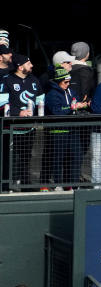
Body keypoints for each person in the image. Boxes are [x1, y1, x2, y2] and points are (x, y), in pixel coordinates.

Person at [1, 53, 43, 187]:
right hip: (11, 128)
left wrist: (38, 115)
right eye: (28, 63)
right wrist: (18, 112)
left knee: (26, 156)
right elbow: (2, 104)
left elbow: (41, 100)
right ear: (20, 67)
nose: (32, 65)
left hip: (29, 127)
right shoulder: (6, 80)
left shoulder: (34, 80)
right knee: (8, 158)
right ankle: (6, 184)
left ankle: (25, 183)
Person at [45, 64, 87, 186]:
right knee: (58, 160)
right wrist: (72, 107)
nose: (68, 84)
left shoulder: (70, 91)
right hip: (58, 132)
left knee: (76, 158)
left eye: (69, 81)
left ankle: (72, 185)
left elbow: (75, 103)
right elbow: (56, 111)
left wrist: (82, 105)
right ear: (58, 81)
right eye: (65, 82)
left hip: (73, 131)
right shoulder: (52, 94)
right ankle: (58, 184)